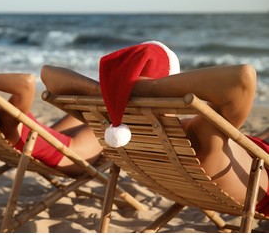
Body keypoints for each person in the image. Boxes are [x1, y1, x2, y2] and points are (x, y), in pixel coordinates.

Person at [40, 63, 269, 216]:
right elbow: (242, 78)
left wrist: (119, 91)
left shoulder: (129, 128)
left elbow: (48, 75)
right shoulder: (202, 139)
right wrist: (139, 89)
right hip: (241, 174)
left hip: (224, 165)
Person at [0, 73, 103, 176]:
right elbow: (27, 82)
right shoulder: (5, 120)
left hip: (57, 143)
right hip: (74, 157)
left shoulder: (0, 122)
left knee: (92, 105)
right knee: (113, 115)